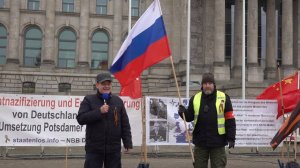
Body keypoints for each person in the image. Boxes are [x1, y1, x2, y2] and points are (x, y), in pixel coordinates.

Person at [178, 72, 236, 168]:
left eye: (210, 83)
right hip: (200, 141)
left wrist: (231, 138)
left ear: (214, 85)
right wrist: (182, 112)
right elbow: (189, 118)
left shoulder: (224, 98)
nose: (207, 86)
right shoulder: (195, 98)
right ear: (202, 85)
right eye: (205, 83)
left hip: (218, 142)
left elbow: (230, 119)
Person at [77, 72, 132, 168]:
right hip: (94, 148)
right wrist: (99, 112)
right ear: (97, 85)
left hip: (114, 148)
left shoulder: (118, 101)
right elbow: (81, 119)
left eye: (109, 84)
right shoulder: (89, 100)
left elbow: (124, 124)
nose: (106, 86)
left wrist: (127, 142)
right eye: (103, 84)